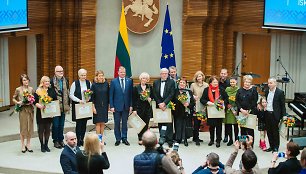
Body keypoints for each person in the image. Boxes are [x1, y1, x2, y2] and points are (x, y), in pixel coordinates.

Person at [200, 76, 228, 148]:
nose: (215, 83)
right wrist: (208, 102)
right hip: (210, 111)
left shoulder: (221, 90)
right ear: (210, 83)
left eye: (216, 82)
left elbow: (226, 98)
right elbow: (202, 99)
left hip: (219, 111)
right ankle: (211, 140)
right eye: (214, 82)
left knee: (219, 126)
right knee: (211, 126)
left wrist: (222, 103)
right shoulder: (206, 90)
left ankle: (218, 140)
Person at [109, 66, 133, 146]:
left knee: (124, 123)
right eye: (121, 72)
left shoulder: (129, 81)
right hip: (116, 106)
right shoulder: (113, 82)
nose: (123, 74)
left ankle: (124, 138)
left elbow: (130, 95)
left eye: (124, 72)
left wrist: (131, 105)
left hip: (126, 106)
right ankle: (118, 139)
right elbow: (111, 95)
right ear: (118, 72)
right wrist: (111, 106)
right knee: (117, 123)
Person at [152, 68, 175, 147]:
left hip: (167, 105)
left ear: (168, 74)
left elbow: (172, 94)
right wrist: (159, 103)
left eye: (166, 73)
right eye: (163, 73)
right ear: (160, 74)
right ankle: (162, 138)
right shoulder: (156, 82)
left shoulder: (171, 82)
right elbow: (154, 94)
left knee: (168, 123)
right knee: (160, 122)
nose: (164, 74)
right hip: (159, 105)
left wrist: (164, 103)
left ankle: (169, 140)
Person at [12, 74, 35, 153]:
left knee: (30, 127)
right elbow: (13, 98)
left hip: (30, 109)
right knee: (23, 127)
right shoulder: (18, 89)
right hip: (22, 110)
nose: (26, 81)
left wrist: (31, 101)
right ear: (21, 81)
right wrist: (18, 102)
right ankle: (22, 145)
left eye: (27, 79)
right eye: (24, 80)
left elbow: (34, 99)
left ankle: (28, 144)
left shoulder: (31, 89)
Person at [34, 76, 57, 152]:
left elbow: (55, 101)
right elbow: (34, 101)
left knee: (47, 129)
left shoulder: (52, 90)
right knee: (41, 129)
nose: (47, 82)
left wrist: (54, 112)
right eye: (46, 81)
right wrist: (39, 106)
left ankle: (46, 145)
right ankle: (42, 146)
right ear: (42, 82)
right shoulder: (38, 91)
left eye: (48, 81)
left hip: (49, 113)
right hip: (40, 113)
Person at [70, 69, 92, 146]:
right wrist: (79, 100)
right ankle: (77, 139)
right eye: (82, 75)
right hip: (78, 106)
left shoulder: (89, 83)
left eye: (85, 75)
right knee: (79, 124)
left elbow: (91, 93)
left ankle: (82, 139)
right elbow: (71, 95)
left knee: (84, 123)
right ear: (79, 75)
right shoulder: (74, 83)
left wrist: (89, 98)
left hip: (86, 106)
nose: (84, 76)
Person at [51, 65, 70, 149]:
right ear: (55, 72)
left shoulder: (66, 80)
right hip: (55, 106)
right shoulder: (51, 81)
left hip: (64, 105)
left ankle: (61, 139)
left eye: (62, 71)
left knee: (61, 124)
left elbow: (67, 92)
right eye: (59, 71)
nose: (61, 72)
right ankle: (55, 140)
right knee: (55, 125)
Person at [235, 75, 258, 147]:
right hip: (241, 112)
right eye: (246, 82)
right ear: (243, 82)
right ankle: (243, 144)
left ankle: (250, 144)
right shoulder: (239, 90)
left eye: (249, 82)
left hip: (250, 112)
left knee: (250, 129)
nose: (247, 83)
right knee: (242, 129)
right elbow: (237, 101)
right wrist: (241, 109)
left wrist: (248, 110)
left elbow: (254, 101)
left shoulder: (254, 90)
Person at [264, 77, 286, 152]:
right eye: (268, 83)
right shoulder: (267, 91)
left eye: (271, 83)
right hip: (267, 113)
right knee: (269, 131)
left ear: (275, 83)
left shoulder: (280, 92)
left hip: (275, 114)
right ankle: (271, 146)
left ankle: (276, 147)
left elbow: (282, 105)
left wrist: (284, 115)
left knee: (275, 131)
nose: (269, 84)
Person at [172, 77, 195, 146]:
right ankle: (177, 139)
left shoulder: (189, 92)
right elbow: (173, 100)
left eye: (183, 83)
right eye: (181, 82)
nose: (182, 84)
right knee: (177, 125)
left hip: (186, 111)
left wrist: (188, 104)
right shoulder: (175, 91)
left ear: (186, 84)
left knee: (185, 125)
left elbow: (193, 102)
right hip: (177, 111)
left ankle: (185, 139)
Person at [132, 72, 153, 145]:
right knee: (140, 124)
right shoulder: (136, 88)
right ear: (141, 79)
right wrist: (134, 109)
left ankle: (145, 138)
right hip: (139, 108)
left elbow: (153, 96)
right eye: (143, 78)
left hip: (147, 108)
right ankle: (140, 138)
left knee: (146, 124)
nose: (144, 79)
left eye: (146, 78)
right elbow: (133, 99)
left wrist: (150, 98)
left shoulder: (150, 87)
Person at [190, 71, 209, 146]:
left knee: (201, 122)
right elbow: (190, 94)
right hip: (196, 105)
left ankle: (196, 137)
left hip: (203, 105)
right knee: (196, 122)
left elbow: (208, 94)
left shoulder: (206, 85)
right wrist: (193, 96)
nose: (199, 78)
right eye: (197, 76)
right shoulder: (193, 85)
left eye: (200, 76)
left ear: (203, 77)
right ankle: (196, 137)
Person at [91, 70, 109, 136]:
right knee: (98, 123)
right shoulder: (94, 85)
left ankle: (101, 139)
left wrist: (109, 106)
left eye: (102, 75)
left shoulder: (106, 84)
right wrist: (93, 107)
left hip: (104, 106)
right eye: (99, 76)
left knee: (103, 123)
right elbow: (92, 97)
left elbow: (108, 95)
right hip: (97, 106)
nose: (101, 77)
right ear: (96, 77)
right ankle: (98, 140)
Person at [224, 77, 239, 146]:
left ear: (236, 82)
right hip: (228, 110)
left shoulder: (238, 90)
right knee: (228, 125)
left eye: (233, 82)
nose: (232, 83)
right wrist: (227, 104)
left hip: (235, 110)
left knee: (235, 125)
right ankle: (230, 139)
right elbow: (224, 97)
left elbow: (239, 99)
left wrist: (235, 106)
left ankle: (236, 140)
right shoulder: (227, 89)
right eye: (231, 82)